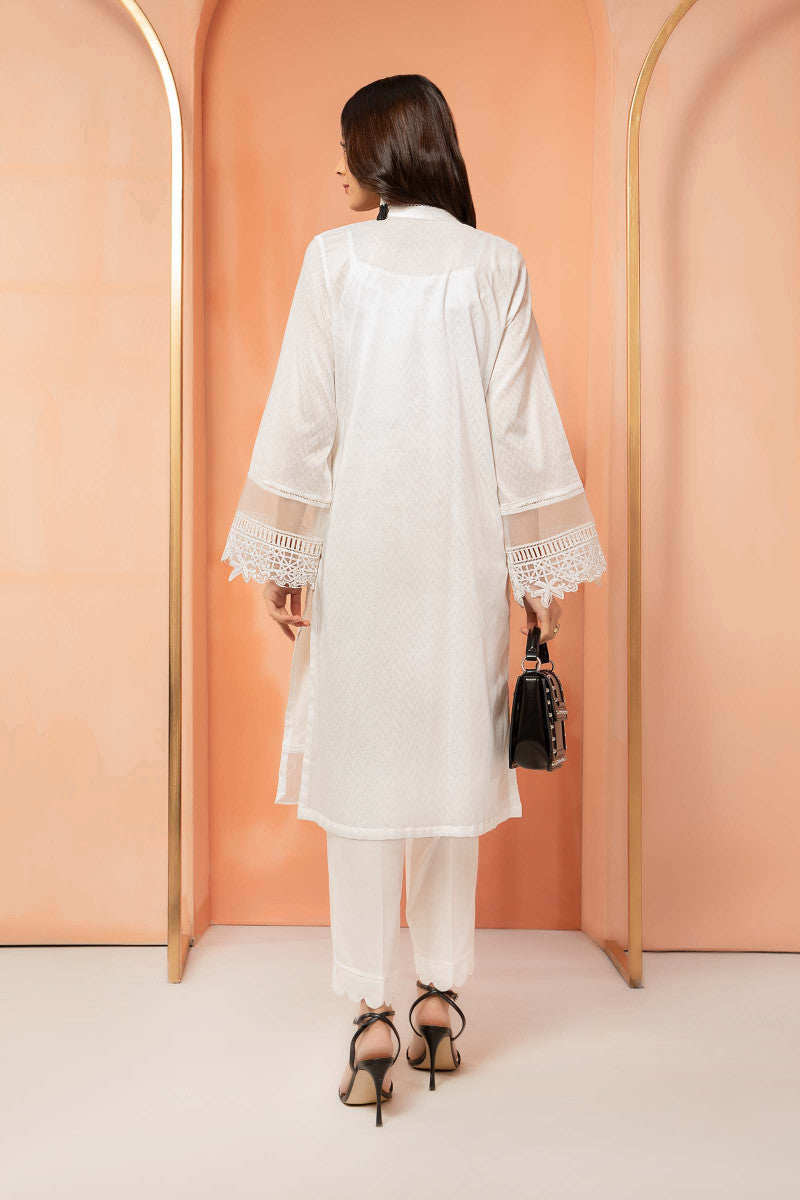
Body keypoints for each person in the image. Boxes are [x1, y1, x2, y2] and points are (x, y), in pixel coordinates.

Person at [221, 73, 607, 1126]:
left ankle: (371, 1018)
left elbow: (304, 416)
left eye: (345, 149)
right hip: (461, 563)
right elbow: (524, 433)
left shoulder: (334, 261)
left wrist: (287, 552)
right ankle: (439, 1000)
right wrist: (537, 581)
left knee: (360, 779)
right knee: (445, 769)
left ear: (383, 156)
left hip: (359, 558)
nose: (335, 170)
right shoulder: (495, 265)